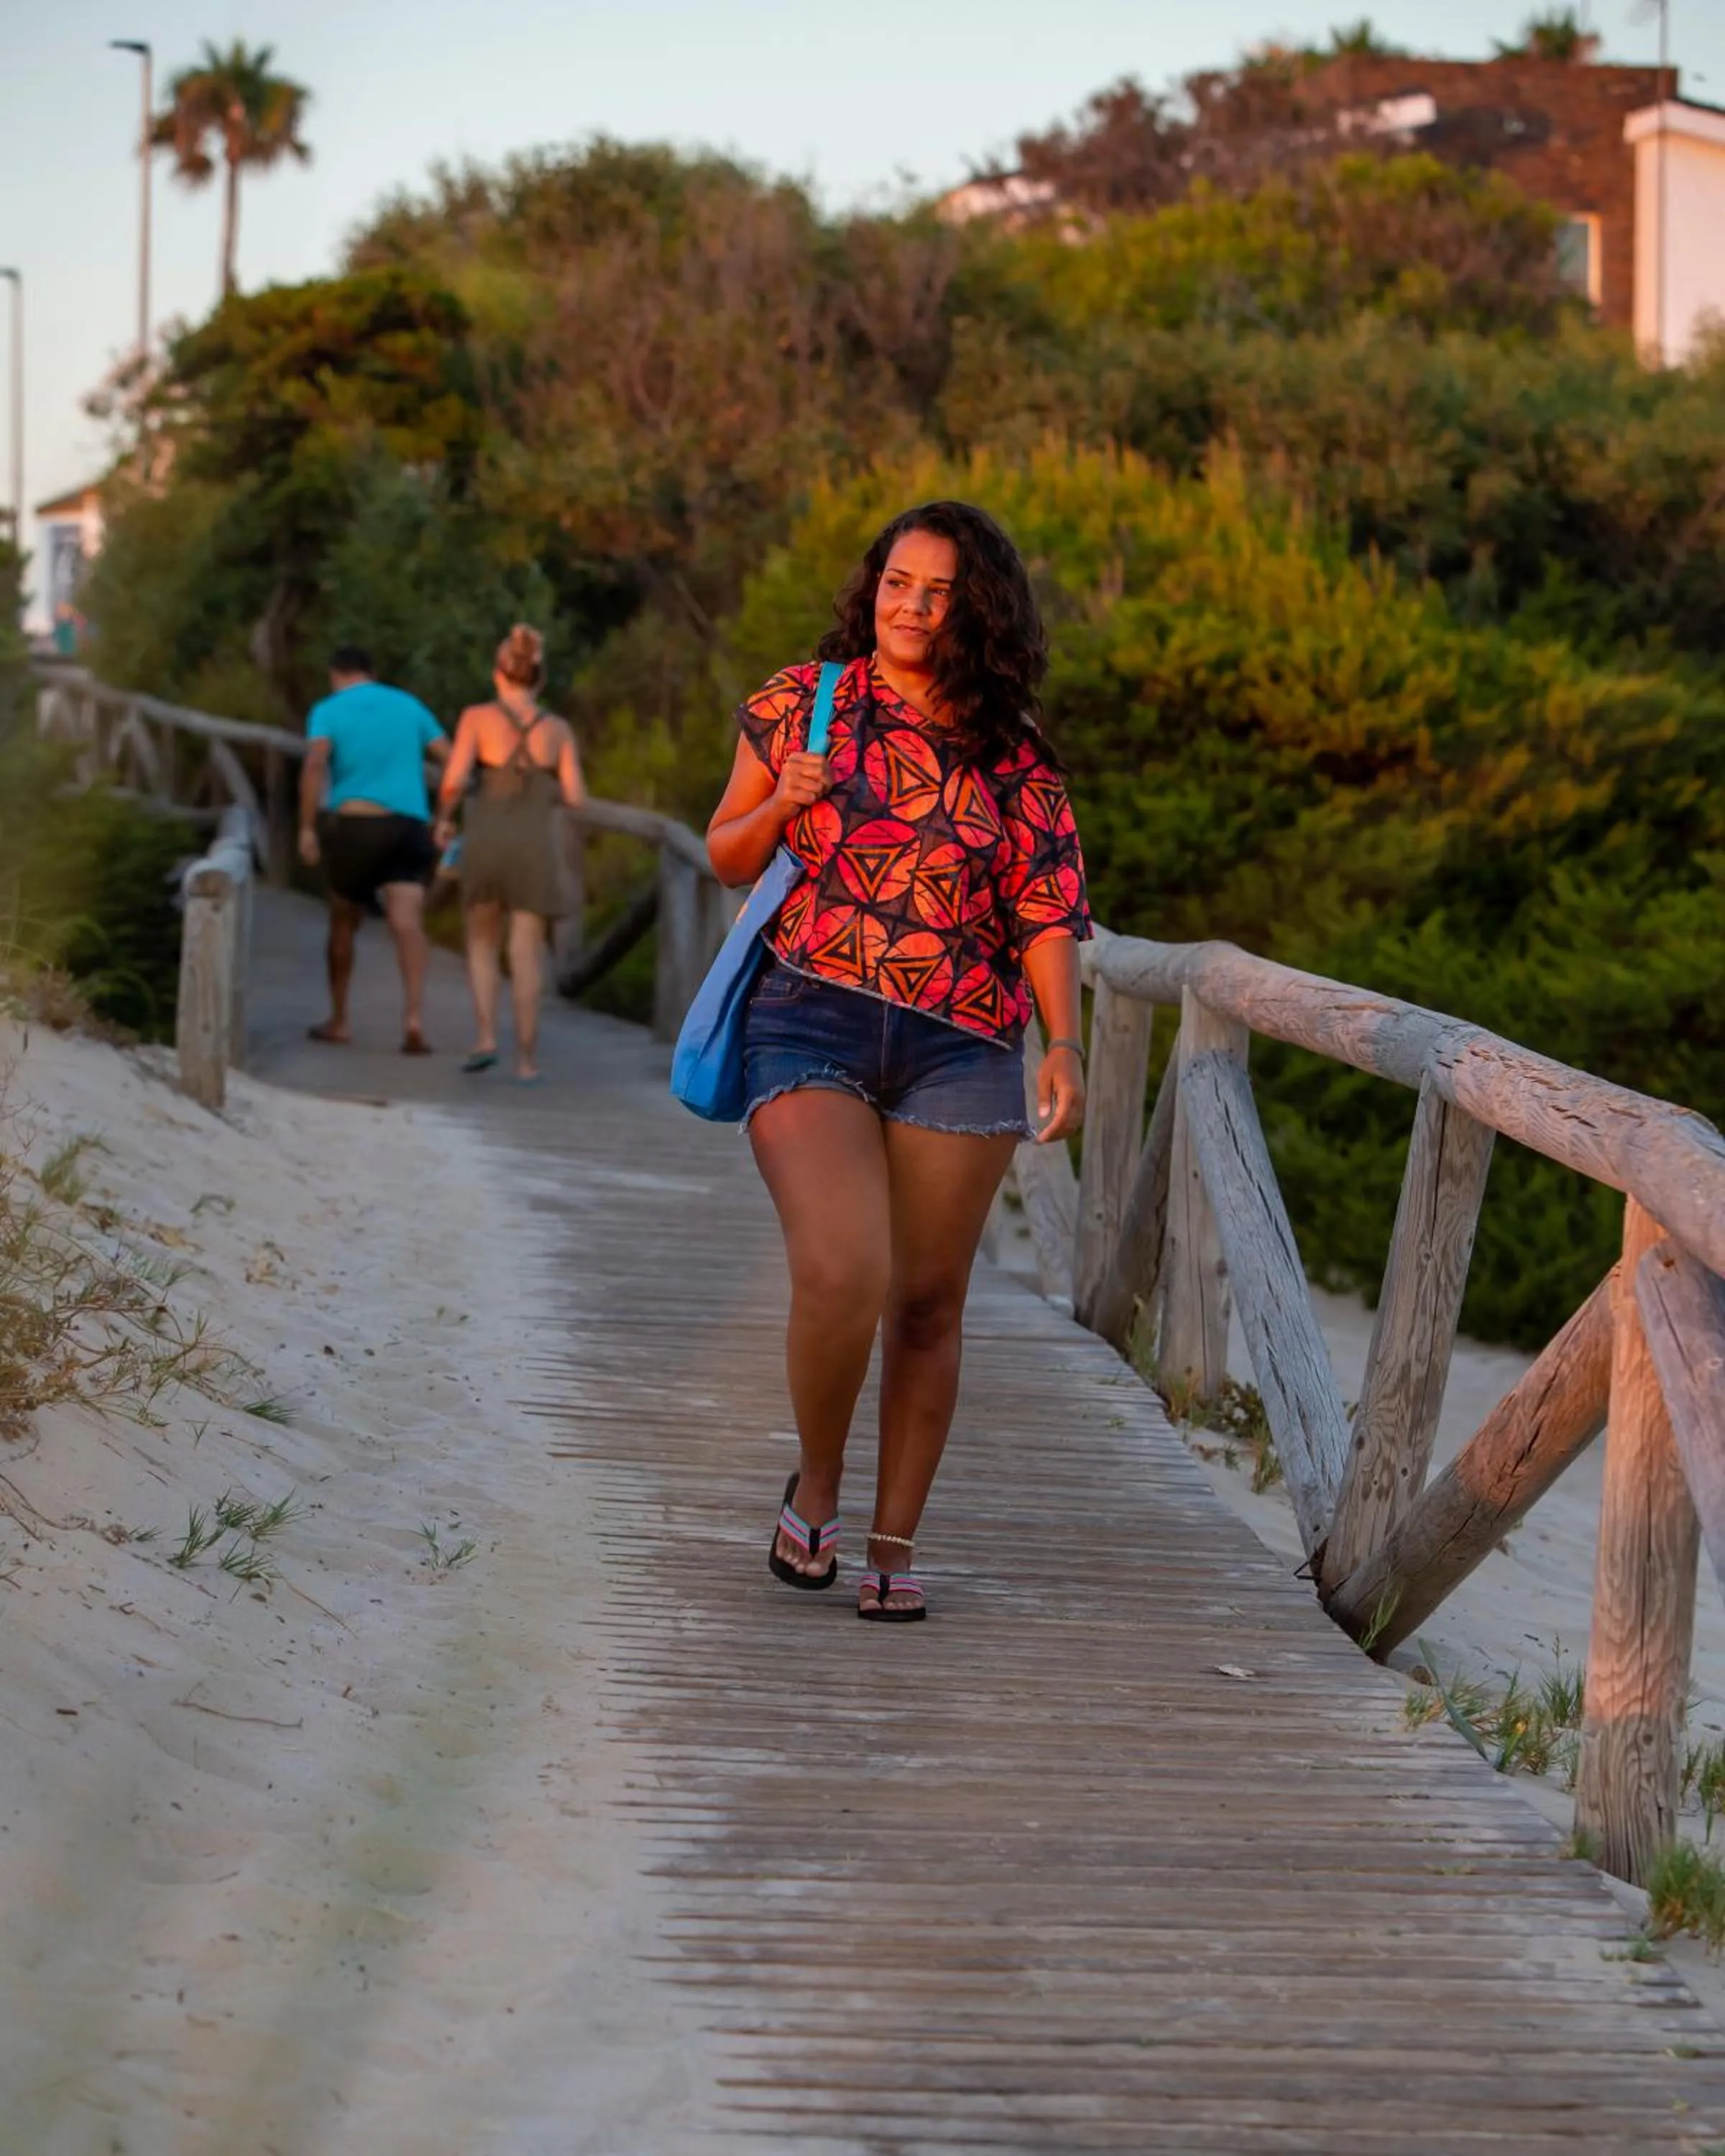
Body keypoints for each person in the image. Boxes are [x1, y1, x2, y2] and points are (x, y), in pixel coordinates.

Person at [706, 501, 1090, 1623]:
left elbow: (1047, 907)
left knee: (927, 1302)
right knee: (844, 1268)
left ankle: (892, 1540)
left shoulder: (1013, 751)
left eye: (939, 591)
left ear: (979, 608)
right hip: (809, 1014)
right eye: (896, 584)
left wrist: (1062, 1041)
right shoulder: (804, 702)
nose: (911, 607)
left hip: (962, 1040)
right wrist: (785, 798)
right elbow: (727, 852)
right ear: (871, 588)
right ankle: (817, 1484)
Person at [434, 624, 584, 1084]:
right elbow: (577, 797)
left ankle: (485, 1038)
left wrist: (443, 818)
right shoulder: (557, 729)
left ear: (499, 674)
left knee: (481, 943)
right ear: (538, 678)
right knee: (526, 953)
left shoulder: (477, 719)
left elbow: (455, 779)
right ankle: (527, 1060)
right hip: (535, 847)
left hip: (486, 840)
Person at [298, 646, 447, 1054]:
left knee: (344, 919)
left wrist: (307, 828)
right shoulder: (409, 705)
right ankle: (414, 1020)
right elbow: (449, 758)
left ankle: (340, 1019)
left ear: (335, 674)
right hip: (408, 825)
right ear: (372, 672)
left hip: (357, 825)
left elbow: (315, 765)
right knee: (407, 922)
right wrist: (446, 814)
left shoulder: (327, 710)